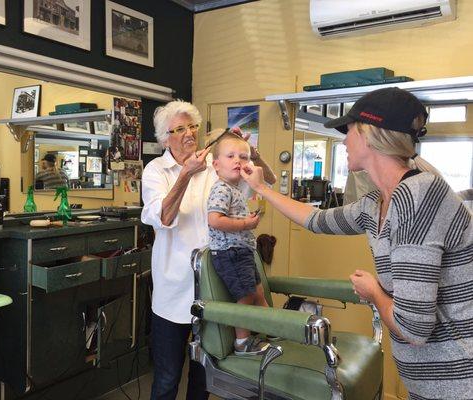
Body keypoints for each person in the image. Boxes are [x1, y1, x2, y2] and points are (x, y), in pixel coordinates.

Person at [240, 87, 473, 399]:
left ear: (369, 134)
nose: (344, 140)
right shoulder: (376, 202)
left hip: (457, 377)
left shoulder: (416, 198)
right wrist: (261, 188)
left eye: (347, 130)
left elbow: (414, 330)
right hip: (430, 378)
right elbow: (315, 219)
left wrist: (374, 292)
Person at [141, 100, 275, 400]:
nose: (189, 134)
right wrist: (186, 174)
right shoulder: (156, 170)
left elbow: (265, 182)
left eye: (193, 126)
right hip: (173, 293)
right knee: (166, 379)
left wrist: (248, 153)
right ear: (166, 137)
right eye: (180, 129)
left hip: (214, 289)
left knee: (204, 379)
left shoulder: (215, 167)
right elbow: (163, 218)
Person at [207, 133, 270, 355]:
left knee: (259, 294)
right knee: (246, 297)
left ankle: (270, 329)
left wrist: (246, 221)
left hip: (243, 251)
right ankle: (242, 342)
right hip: (229, 253)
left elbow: (268, 180)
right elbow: (214, 220)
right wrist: (245, 224)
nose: (237, 161)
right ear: (216, 165)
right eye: (230, 156)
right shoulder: (222, 188)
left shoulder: (236, 188)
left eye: (243, 157)